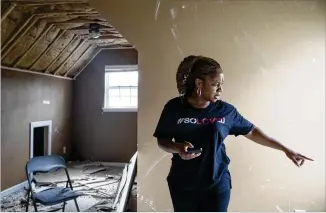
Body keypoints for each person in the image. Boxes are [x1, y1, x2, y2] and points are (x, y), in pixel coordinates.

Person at [153, 55, 313, 212]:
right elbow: (162, 140)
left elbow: (252, 131)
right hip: (183, 185)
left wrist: (285, 149)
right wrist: (178, 147)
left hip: (216, 185)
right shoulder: (174, 108)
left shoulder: (226, 111)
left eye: (222, 84)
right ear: (199, 83)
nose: (221, 90)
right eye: (216, 84)